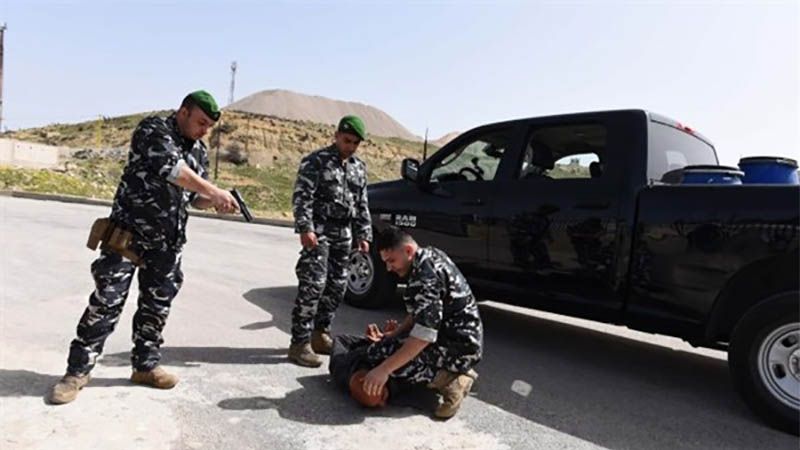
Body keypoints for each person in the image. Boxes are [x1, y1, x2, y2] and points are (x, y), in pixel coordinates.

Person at [48, 90, 239, 404]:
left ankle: (145, 366)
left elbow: (193, 196)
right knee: (106, 302)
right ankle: (76, 372)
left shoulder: (199, 151)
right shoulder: (153, 130)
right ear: (183, 112)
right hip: (128, 236)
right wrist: (212, 189)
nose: (204, 130)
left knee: (156, 307)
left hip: (167, 243)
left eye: (209, 127)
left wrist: (215, 201)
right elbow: (173, 171)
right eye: (201, 122)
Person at [360, 226, 483, 418]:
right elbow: (421, 312)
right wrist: (395, 333)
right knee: (386, 346)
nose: (389, 268)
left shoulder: (427, 277)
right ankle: (451, 370)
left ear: (408, 251)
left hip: (458, 348)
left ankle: (452, 381)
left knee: (381, 357)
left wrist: (383, 370)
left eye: (391, 261)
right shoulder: (427, 257)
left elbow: (423, 337)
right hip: (455, 340)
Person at [288, 115, 372, 367]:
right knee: (313, 284)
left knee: (337, 285)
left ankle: (319, 332)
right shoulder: (315, 162)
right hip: (319, 232)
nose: (350, 147)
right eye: (347, 140)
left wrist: (364, 233)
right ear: (336, 135)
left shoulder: (358, 167)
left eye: (355, 143)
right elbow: (302, 197)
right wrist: (305, 228)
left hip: (344, 235)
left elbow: (362, 203)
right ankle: (299, 343)